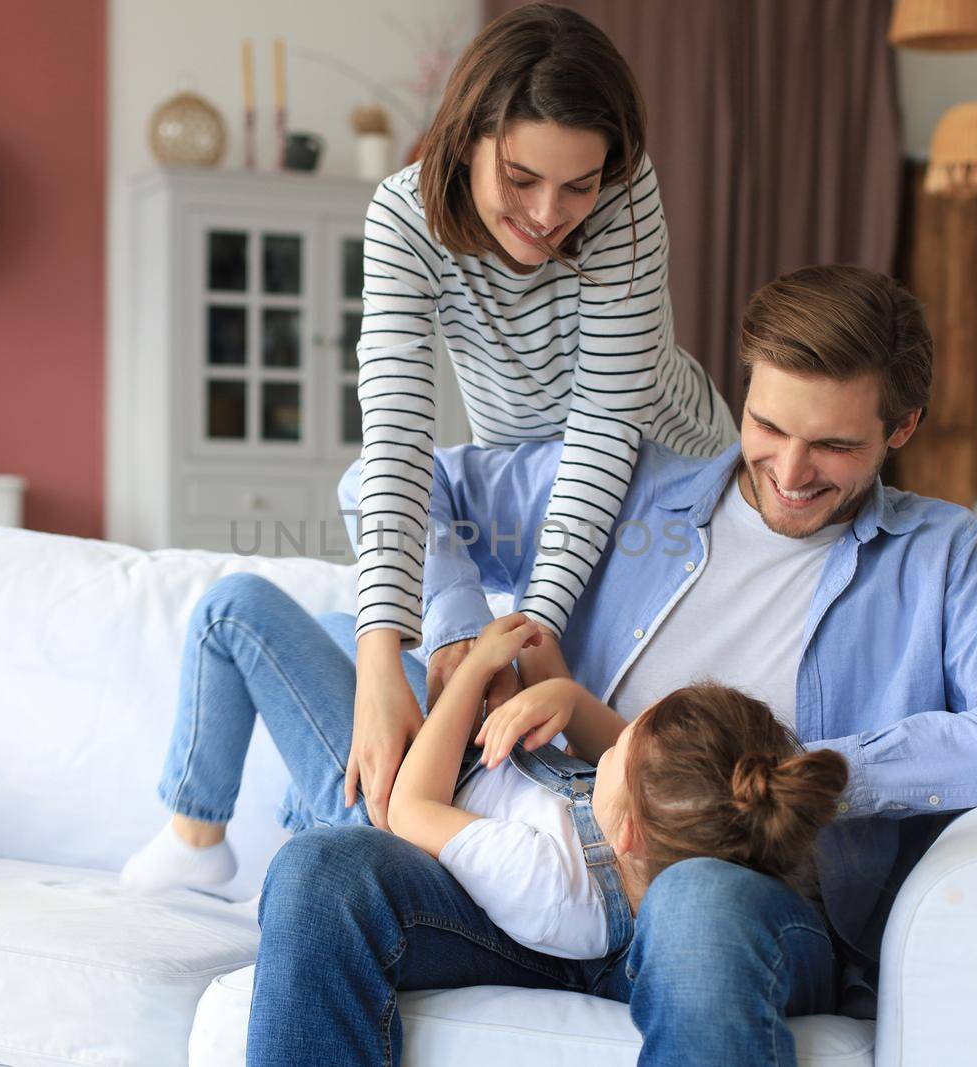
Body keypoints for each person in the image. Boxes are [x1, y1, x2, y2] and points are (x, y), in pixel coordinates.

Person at [244, 265, 977, 1065]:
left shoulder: (938, 555)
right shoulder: (630, 488)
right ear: (744, 391)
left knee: (696, 901)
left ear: (901, 428)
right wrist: (461, 639)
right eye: (768, 424)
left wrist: (797, 779)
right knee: (322, 872)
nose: (791, 471)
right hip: (553, 851)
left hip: (745, 896)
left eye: (835, 446)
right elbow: (385, 482)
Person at [345, 2, 736, 839]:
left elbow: (603, 429)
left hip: (664, 462)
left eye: (578, 185)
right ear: (466, 139)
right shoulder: (402, 217)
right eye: (520, 179)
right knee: (367, 485)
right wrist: (385, 653)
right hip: (529, 469)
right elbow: (398, 434)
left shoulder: (626, 199)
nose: (549, 213)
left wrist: (533, 626)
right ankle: (456, 650)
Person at [124, 588, 845, 970]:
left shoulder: (549, 882)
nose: (615, 735)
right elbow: (623, 751)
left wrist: (471, 675)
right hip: (464, 759)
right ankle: (297, 800)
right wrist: (557, 694)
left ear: (626, 830)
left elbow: (412, 807)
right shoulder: (664, 828)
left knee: (236, 611)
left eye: (622, 745)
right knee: (341, 625)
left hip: (395, 798)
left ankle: (197, 835)